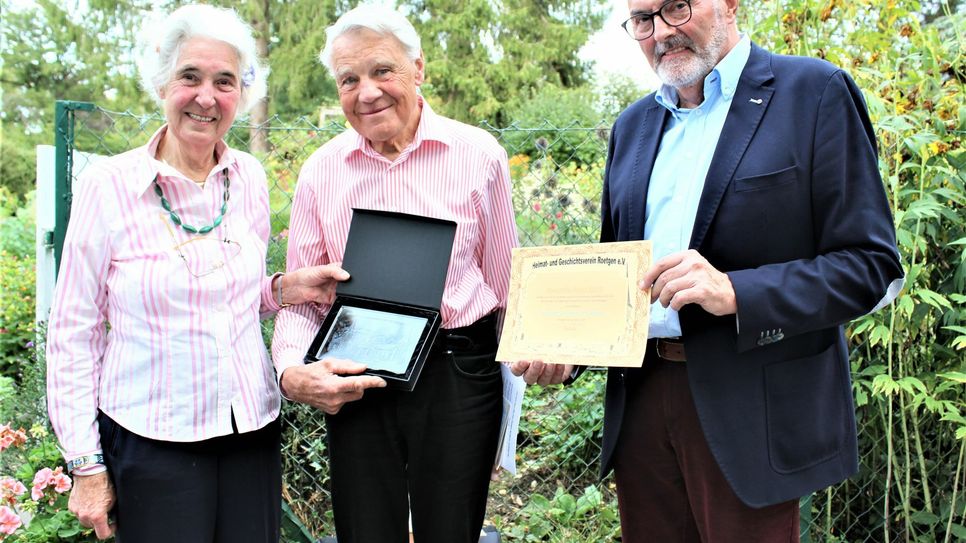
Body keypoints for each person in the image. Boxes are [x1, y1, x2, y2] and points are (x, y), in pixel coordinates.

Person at [511, 0, 904, 541]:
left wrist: (737, 291)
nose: (662, 33)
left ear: (730, 4)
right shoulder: (632, 126)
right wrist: (566, 349)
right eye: (643, 20)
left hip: (751, 408)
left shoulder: (812, 93)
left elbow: (872, 266)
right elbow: (614, 277)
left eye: (676, 7)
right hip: (642, 404)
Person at [45, 4, 350, 541]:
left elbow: (222, 295)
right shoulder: (110, 187)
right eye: (190, 76)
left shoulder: (248, 177)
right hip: (151, 438)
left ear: (241, 94)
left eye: (224, 81)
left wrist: (281, 289)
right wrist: (86, 467)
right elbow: (74, 330)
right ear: (163, 82)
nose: (206, 97)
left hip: (248, 430)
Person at [270, 5, 518, 543]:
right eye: (348, 79)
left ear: (419, 68)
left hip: (457, 371)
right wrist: (291, 370)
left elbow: (505, 288)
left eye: (382, 71)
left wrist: (540, 355)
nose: (367, 92)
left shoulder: (479, 156)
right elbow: (305, 298)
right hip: (358, 371)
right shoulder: (321, 172)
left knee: (452, 530)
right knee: (365, 531)